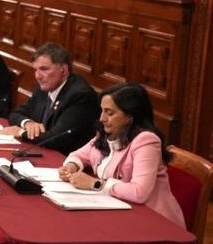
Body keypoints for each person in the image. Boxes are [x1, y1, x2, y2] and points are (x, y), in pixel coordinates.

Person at [59, 83, 185, 228]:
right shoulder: (107, 133)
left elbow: (139, 192)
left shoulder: (146, 141)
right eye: (102, 111)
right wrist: (71, 166)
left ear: (130, 116)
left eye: (109, 113)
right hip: (117, 211)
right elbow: (79, 155)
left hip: (152, 221)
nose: (102, 118)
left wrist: (95, 184)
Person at [1, 43, 99, 154]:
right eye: (36, 70)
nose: (38, 76)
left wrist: (21, 132)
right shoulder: (44, 88)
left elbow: (55, 139)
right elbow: (16, 114)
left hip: (66, 159)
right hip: (42, 151)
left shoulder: (80, 95)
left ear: (64, 69)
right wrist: (28, 123)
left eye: (44, 69)